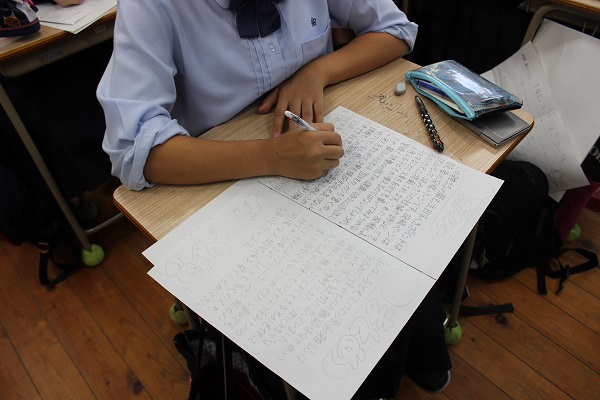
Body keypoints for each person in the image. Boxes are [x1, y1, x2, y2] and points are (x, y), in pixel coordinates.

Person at [97, 0, 451, 398]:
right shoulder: (151, 7)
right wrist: (271, 157)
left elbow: (396, 30)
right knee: (315, 311)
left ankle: (412, 354)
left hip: (318, 164)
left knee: (393, 246)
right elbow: (133, 150)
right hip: (223, 180)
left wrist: (317, 72)